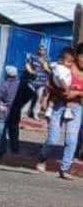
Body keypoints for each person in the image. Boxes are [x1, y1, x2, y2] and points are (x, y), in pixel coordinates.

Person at [37, 45, 83, 180]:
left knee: (71, 140)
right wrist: (46, 99)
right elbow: (50, 84)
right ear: (77, 56)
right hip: (58, 105)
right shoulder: (65, 66)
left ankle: (65, 168)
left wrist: (77, 92)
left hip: (76, 108)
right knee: (53, 138)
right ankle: (42, 158)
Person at [0, 65, 21, 160]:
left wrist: (0, 104)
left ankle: (2, 153)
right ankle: (14, 152)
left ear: (7, 74)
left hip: (4, 112)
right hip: (15, 112)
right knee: (14, 132)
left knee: (1, 133)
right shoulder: (20, 85)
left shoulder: (4, 85)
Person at [23, 44, 51, 118]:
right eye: (40, 49)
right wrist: (31, 71)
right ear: (38, 50)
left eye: (43, 50)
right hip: (32, 81)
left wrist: (46, 66)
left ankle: (35, 113)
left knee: (39, 98)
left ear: (45, 51)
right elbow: (27, 65)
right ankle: (24, 113)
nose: (41, 51)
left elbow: (50, 71)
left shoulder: (47, 59)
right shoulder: (33, 57)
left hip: (42, 82)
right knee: (29, 97)